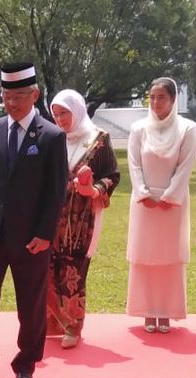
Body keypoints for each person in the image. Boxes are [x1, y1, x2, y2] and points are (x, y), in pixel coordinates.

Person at [0, 62, 68, 378]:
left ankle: (26, 364)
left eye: (19, 96)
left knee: (31, 305)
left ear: (35, 95)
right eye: (6, 96)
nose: (11, 103)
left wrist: (44, 233)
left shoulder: (51, 136)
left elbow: (55, 191)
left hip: (31, 239)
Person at [47, 89, 120, 349]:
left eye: (64, 113)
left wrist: (92, 189)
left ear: (77, 110)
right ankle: (51, 322)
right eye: (55, 114)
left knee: (73, 269)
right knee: (48, 266)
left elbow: (112, 175)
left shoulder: (99, 139)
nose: (60, 120)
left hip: (82, 218)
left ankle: (72, 327)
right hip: (52, 215)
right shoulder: (53, 139)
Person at [125, 77, 196, 333]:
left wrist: (169, 197)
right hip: (144, 203)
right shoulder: (138, 129)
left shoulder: (187, 129)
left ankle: (165, 311)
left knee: (168, 257)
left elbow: (186, 165)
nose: (156, 103)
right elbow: (133, 163)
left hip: (172, 204)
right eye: (152, 97)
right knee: (145, 256)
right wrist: (143, 193)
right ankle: (147, 310)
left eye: (162, 98)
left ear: (173, 99)